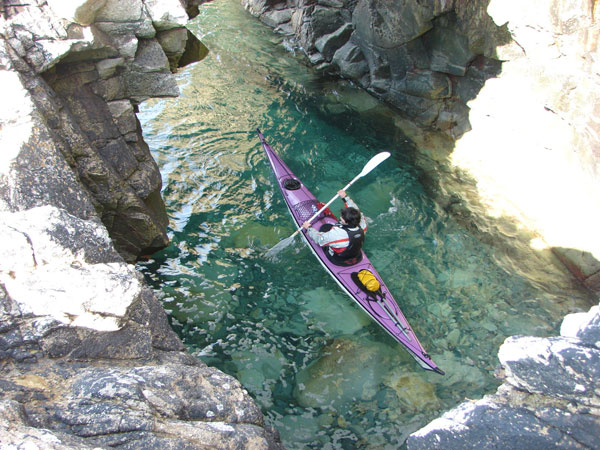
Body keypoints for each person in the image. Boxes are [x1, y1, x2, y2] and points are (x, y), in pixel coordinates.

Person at [301, 190, 367, 266]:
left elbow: (319, 239)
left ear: (346, 222)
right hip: (357, 257)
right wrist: (345, 197)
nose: (340, 217)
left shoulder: (337, 234)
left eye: (342, 218)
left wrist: (309, 228)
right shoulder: (362, 223)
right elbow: (355, 210)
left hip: (337, 260)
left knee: (324, 228)